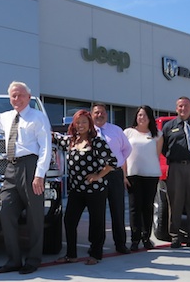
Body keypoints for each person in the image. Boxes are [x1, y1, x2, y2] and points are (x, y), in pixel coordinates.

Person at [0, 81, 52, 275]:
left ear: (28, 97)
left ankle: (33, 259)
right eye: (13, 95)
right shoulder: (6, 116)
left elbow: (46, 147)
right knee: (6, 211)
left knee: (35, 217)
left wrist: (39, 175)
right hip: (11, 168)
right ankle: (14, 260)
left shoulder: (38, 117)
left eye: (20, 95)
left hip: (31, 166)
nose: (17, 99)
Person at [53, 110, 117, 265]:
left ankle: (96, 255)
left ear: (90, 125)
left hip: (95, 190)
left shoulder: (97, 142)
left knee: (97, 223)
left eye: (84, 122)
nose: (80, 125)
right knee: (69, 221)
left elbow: (112, 162)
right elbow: (54, 137)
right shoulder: (70, 141)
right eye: (77, 122)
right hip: (76, 190)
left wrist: (98, 176)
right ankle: (71, 255)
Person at [161, 96, 190, 249]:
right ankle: (175, 237)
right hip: (176, 168)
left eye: (186, 106)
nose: (183, 108)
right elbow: (164, 147)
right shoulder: (168, 126)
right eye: (180, 106)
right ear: (176, 108)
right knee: (175, 202)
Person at [91, 103, 132, 254]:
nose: (99, 115)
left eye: (102, 112)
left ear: (106, 114)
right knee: (97, 212)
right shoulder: (88, 132)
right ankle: (96, 246)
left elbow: (127, 148)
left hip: (114, 174)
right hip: (96, 175)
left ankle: (121, 244)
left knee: (117, 209)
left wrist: (119, 162)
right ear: (91, 114)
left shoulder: (116, 130)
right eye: (96, 113)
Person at [124, 105, 163, 251]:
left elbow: (157, 155)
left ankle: (146, 237)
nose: (142, 118)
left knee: (147, 207)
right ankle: (135, 239)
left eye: (145, 115)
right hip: (133, 175)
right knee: (135, 208)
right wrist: (124, 175)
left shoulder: (157, 134)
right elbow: (123, 156)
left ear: (150, 118)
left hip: (151, 175)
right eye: (140, 115)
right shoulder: (128, 133)